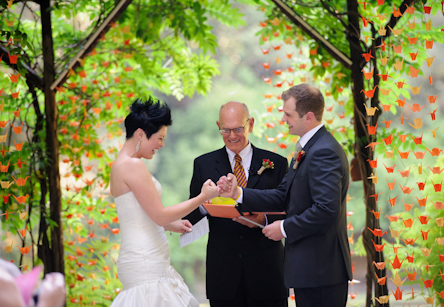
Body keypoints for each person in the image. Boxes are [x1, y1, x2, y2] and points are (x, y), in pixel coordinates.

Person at [218, 84, 352, 307]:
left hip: (322, 271)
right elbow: (283, 195)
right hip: (311, 271)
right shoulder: (308, 148)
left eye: (288, 114)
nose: (284, 119)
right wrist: (238, 193)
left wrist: (283, 228)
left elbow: (326, 210)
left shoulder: (324, 151)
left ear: (308, 116)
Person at [109, 98, 219, 307]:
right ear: (141, 133)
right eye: (159, 138)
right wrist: (202, 197)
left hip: (142, 256)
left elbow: (136, 214)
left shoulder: (119, 165)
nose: (162, 144)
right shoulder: (132, 165)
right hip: (146, 261)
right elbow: (159, 214)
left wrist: (169, 225)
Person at [185, 101, 289, 307]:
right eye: (225, 130)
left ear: (250, 124)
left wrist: (263, 219)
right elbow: (190, 216)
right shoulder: (203, 164)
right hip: (223, 276)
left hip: (267, 274)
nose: (232, 136)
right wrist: (204, 204)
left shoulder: (276, 164)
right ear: (218, 126)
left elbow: (290, 210)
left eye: (238, 129)